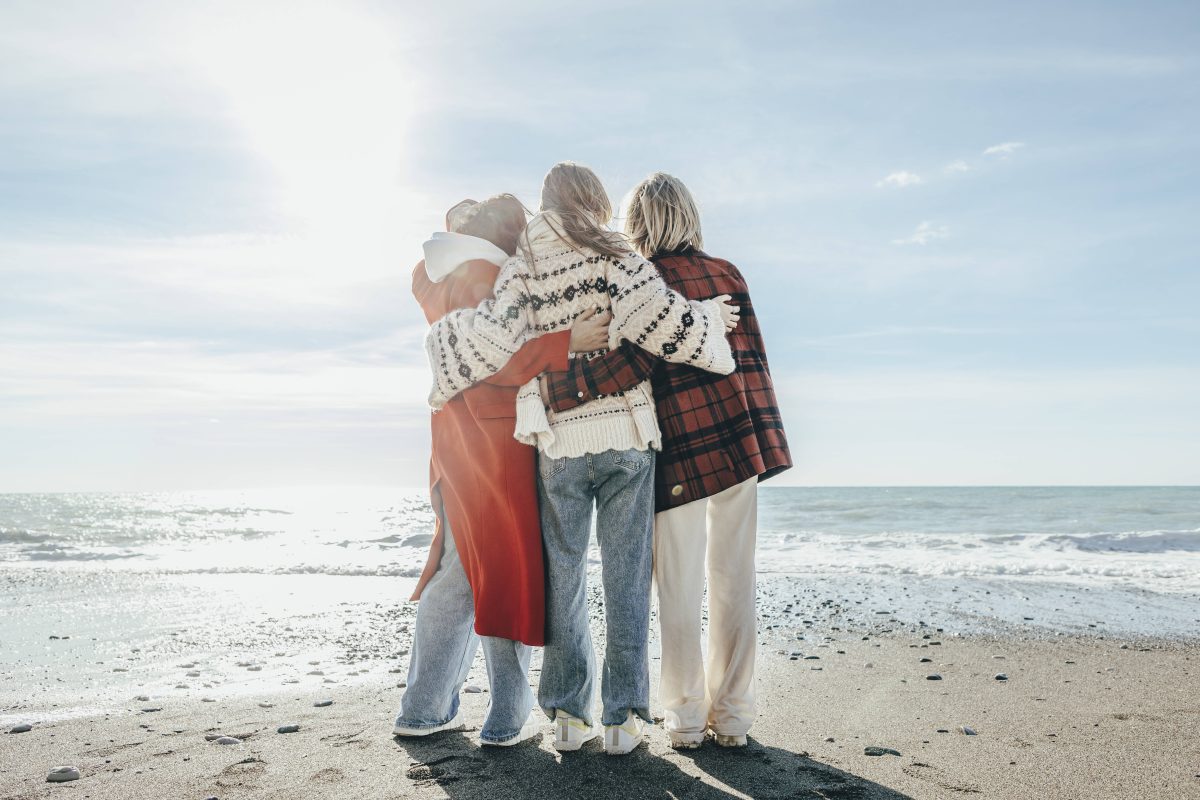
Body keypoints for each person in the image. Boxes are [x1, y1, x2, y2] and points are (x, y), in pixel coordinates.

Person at [422, 162, 739, 755]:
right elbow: (661, 322)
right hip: (626, 438)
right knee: (625, 584)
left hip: (559, 446)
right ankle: (622, 722)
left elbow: (493, 341)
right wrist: (711, 325)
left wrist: (443, 343)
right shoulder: (615, 251)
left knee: (564, 580)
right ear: (595, 201)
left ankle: (568, 719)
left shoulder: (524, 265)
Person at [541, 172, 792, 749]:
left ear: (636, 221)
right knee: (735, 582)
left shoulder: (639, 276)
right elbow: (752, 360)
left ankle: (684, 718)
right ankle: (732, 717)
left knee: (678, 586)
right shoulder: (728, 272)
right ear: (688, 215)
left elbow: (634, 363)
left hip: (679, 451)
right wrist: (766, 443)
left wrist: (565, 389)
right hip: (737, 442)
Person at [393, 194, 610, 746]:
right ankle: (505, 717)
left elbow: (465, 350)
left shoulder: (431, 278)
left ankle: (423, 707)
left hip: (450, 442)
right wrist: (567, 341)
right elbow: (494, 362)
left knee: (458, 567)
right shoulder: (488, 274)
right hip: (494, 441)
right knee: (502, 573)